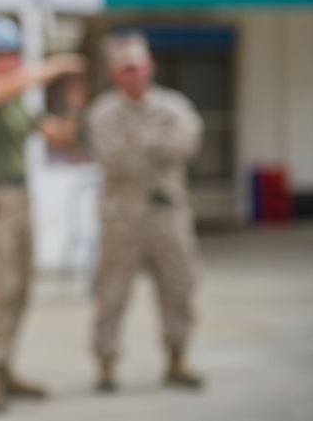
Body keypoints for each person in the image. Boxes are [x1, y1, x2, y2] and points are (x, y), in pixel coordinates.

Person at [0, 16, 86, 411]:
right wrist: (55, 66)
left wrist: (72, 104)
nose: (14, 60)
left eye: (17, 52)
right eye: (7, 53)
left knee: (21, 290)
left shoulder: (16, 99)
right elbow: (0, 91)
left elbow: (59, 136)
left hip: (20, 197)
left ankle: (7, 367)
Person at [85, 29, 204, 392]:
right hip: (121, 218)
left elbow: (185, 144)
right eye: (124, 69)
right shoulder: (103, 112)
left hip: (168, 215)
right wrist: (155, 147)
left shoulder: (174, 107)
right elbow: (113, 156)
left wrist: (137, 144)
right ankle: (106, 364)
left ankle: (177, 359)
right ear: (113, 74)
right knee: (111, 293)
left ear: (149, 67)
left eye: (136, 67)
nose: (132, 75)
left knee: (179, 288)